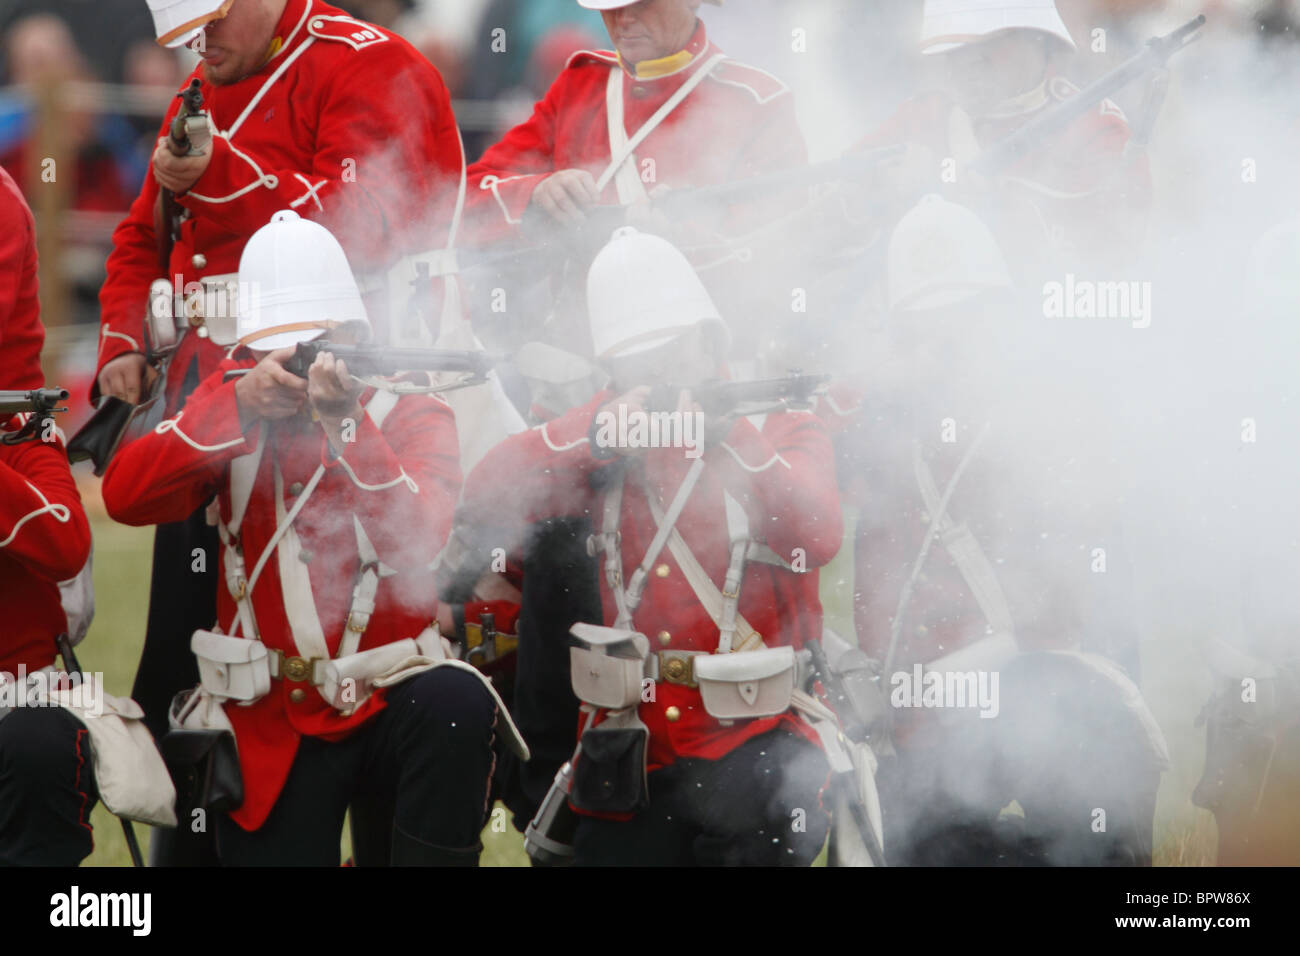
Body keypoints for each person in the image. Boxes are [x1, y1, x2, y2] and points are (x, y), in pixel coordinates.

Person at [95, 0, 467, 863]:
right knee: (188, 669)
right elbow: (144, 232)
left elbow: (352, 221)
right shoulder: (207, 77)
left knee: (383, 645)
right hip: (218, 405)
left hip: (351, 392)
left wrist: (215, 178)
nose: (198, 42)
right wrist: (123, 334)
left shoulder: (367, 63)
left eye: (210, 20)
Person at [102, 210, 524, 866]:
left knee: (456, 702)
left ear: (353, 333)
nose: (293, 365)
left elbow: (414, 545)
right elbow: (124, 495)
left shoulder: (411, 410)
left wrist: (347, 421)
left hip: (390, 693)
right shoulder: (229, 406)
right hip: (270, 714)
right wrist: (237, 404)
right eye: (274, 349)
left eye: (314, 343)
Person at [458, 227, 842, 865]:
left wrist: (733, 439)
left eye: (669, 354)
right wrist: (597, 433)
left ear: (707, 339)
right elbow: (484, 494)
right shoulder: (605, 437)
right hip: (634, 751)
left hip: (760, 738)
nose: (657, 376)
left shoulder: (776, 422)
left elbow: (818, 535)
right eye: (637, 364)